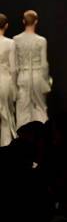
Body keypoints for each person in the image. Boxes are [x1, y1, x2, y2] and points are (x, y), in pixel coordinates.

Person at [14, 10, 51, 129]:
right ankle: (43, 138)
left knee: (22, 110)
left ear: (23, 21)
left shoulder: (16, 39)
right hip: (37, 76)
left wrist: (14, 83)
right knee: (40, 109)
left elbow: (15, 64)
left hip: (22, 76)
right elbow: (44, 64)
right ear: (36, 21)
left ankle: (22, 140)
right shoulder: (41, 40)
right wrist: (46, 82)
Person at [0, 13, 17, 146]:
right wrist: (15, 88)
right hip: (4, 81)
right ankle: (5, 150)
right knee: (5, 117)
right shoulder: (10, 43)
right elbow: (13, 69)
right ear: (6, 25)